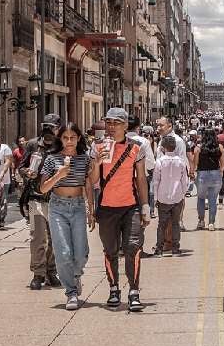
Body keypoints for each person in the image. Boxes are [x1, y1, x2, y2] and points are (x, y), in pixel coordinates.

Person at [89, 107, 151, 312]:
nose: (111, 127)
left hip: (130, 206)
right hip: (107, 208)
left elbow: (141, 179)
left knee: (133, 247)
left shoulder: (136, 148)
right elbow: (93, 181)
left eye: (116, 123)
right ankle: (114, 288)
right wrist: (97, 162)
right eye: (108, 122)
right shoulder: (97, 146)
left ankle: (134, 291)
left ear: (126, 125)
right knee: (110, 250)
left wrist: (145, 206)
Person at [36, 123, 93, 310]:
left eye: (73, 138)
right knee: (63, 253)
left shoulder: (85, 159)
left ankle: (75, 277)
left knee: (81, 253)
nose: (69, 142)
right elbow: (43, 188)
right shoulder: (52, 160)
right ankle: (71, 293)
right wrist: (59, 175)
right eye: (65, 138)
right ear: (60, 139)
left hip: (77, 206)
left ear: (78, 139)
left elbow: (89, 185)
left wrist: (91, 209)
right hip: (58, 207)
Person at [21, 115, 62, 290]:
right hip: (35, 197)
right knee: (38, 238)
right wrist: (26, 172)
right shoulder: (32, 145)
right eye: (45, 127)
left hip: (56, 197)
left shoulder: (61, 146)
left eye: (51, 127)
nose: (48, 131)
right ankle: (38, 273)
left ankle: (51, 271)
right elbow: (21, 166)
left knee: (55, 238)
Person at [152, 134, 189, 256]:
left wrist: (156, 198)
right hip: (177, 196)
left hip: (163, 197)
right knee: (175, 223)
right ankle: (175, 248)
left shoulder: (159, 162)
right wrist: (183, 194)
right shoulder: (181, 162)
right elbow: (184, 181)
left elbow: (156, 181)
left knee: (161, 224)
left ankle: (159, 249)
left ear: (163, 147)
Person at [194, 128, 224, 230]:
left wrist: (193, 173)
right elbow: (223, 163)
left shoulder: (199, 148)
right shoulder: (219, 147)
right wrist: (220, 171)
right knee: (213, 199)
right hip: (215, 175)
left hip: (202, 175)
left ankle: (201, 221)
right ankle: (211, 223)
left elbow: (196, 164)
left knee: (201, 198)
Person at [127, 115, 157, 220]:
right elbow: (151, 163)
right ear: (138, 127)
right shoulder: (144, 142)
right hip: (142, 179)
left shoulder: (119, 140)